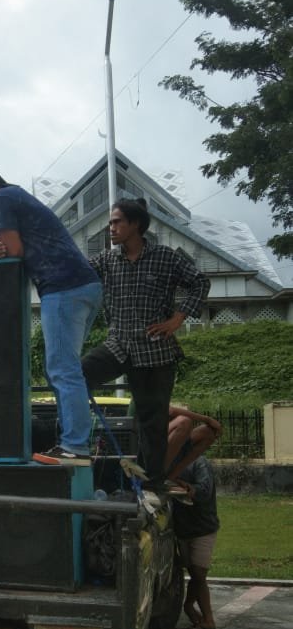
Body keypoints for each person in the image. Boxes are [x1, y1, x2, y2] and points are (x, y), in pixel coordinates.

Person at [0, 169, 103, 462]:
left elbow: (13, 250)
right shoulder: (17, 198)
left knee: (63, 371)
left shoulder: (4, 196)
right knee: (64, 372)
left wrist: (3, 249)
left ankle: (75, 446)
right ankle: (72, 442)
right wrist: (5, 248)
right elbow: (16, 248)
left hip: (64, 287)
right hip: (82, 286)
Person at [81, 197, 210, 495]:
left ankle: (151, 486)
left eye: (116, 221)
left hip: (156, 350)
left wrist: (177, 319)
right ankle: (75, 446)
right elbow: (72, 271)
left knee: (152, 424)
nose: (110, 227)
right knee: (74, 376)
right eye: (110, 222)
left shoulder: (166, 257)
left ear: (135, 224)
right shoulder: (106, 260)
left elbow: (200, 282)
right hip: (117, 344)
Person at [171, 455, 219, 629]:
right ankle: (190, 607)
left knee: (198, 572)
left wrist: (187, 488)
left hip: (202, 528)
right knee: (194, 572)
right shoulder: (169, 461)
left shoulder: (199, 463)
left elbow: (205, 491)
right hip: (183, 529)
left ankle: (208, 620)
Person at [166, 404, 222, 481]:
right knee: (184, 422)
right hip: (151, 449)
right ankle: (157, 477)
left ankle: (171, 478)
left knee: (207, 432)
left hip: (166, 449)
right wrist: (207, 419)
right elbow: (171, 411)